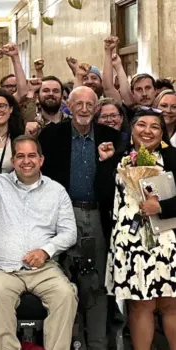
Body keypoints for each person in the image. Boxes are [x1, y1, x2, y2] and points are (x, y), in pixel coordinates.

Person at [0, 135, 78, 350]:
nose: (26, 161)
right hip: (1, 268)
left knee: (66, 294)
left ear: (41, 160)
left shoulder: (57, 191)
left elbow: (69, 232)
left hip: (43, 269)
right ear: (13, 161)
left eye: (32, 155)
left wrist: (46, 250)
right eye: (20, 156)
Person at [38, 86, 122, 350]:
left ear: (97, 109)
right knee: (61, 282)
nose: (84, 109)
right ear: (68, 107)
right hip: (60, 215)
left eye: (90, 104)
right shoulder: (51, 135)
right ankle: (66, 342)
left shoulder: (113, 137)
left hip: (96, 215)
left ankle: (97, 343)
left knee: (95, 283)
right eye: (78, 104)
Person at [105, 107, 176, 350]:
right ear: (131, 128)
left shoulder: (174, 157)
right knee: (139, 304)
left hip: (168, 241)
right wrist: (105, 163)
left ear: (162, 132)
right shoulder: (118, 157)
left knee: (170, 303)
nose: (147, 131)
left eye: (154, 126)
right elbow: (103, 195)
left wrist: (162, 207)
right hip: (129, 242)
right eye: (141, 125)